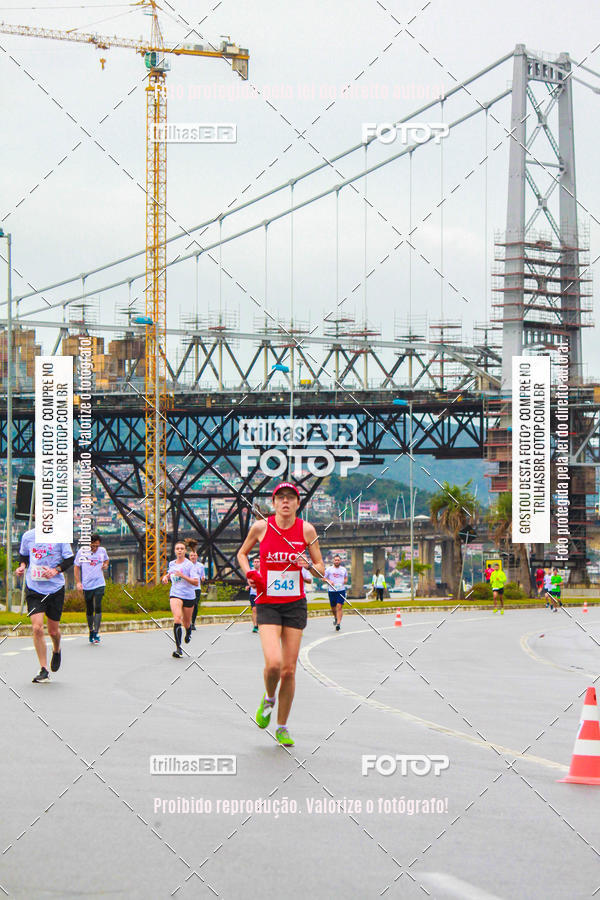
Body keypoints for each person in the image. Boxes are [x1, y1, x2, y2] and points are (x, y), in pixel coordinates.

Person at [237, 481, 325, 747]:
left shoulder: (307, 530)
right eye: (280, 497)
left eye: (291, 498)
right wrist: (250, 574)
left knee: (289, 670)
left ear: (298, 504)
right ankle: (269, 698)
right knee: (273, 663)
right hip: (267, 602)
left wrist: (308, 565)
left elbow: (320, 568)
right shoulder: (261, 527)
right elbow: (242, 554)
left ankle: (282, 726)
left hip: (295, 603)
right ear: (274, 503)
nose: (285, 502)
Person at [15, 527, 74, 683]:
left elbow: (69, 559)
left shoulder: (61, 535)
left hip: (55, 589)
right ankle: (43, 669)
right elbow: (24, 556)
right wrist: (22, 567)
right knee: (37, 627)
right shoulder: (28, 536)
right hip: (34, 587)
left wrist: (56, 570)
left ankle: (57, 649)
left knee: (53, 631)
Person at [161, 540, 199, 657]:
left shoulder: (189, 565)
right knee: (177, 618)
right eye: (177, 549)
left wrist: (183, 576)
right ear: (175, 551)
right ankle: (178, 648)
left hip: (188, 595)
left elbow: (195, 582)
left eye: (182, 549)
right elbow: (170, 573)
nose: (179, 551)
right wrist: (165, 577)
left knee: (187, 622)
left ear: (185, 551)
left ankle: (188, 632)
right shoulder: (172, 563)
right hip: (175, 593)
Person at [74, 533, 109, 644]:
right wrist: (78, 582)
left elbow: (107, 560)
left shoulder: (102, 551)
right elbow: (76, 567)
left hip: (99, 583)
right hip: (87, 585)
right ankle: (91, 630)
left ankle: (96, 633)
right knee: (89, 608)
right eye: (93, 546)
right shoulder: (82, 552)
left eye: (97, 546)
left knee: (98, 606)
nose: (95, 548)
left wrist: (105, 565)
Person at [324, 554, 348, 631]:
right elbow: (323, 578)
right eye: (335, 560)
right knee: (333, 607)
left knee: (339, 606)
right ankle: (335, 617)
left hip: (341, 590)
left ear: (340, 561)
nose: (337, 561)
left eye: (338, 560)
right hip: (331, 590)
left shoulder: (343, 569)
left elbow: (346, 578)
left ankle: (338, 623)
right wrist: (329, 581)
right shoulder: (329, 569)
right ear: (333, 561)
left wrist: (344, 582)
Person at [187, 543, 206, 631]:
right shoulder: (186, 565)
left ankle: (193, 623)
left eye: (194, 555)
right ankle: (187, 621)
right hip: (188, 588)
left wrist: (203, 578)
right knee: (188, 605)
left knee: (195, 605)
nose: (193, 557)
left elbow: (203, 576)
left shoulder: (201, 566)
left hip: (197, 588)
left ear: (197, 556)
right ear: (189, 556)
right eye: (191, 555)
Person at [248, 556, 260, 633]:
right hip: (253, 593)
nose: (256, 563)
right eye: (255, 562)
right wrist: (249, 585)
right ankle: (255, 626)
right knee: (254, 609)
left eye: (257, 562)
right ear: (252, 563)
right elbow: (249, 581)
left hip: (261, 593)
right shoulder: (251, 572)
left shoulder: (263, 571)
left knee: (261, 610)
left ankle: (261, 624)